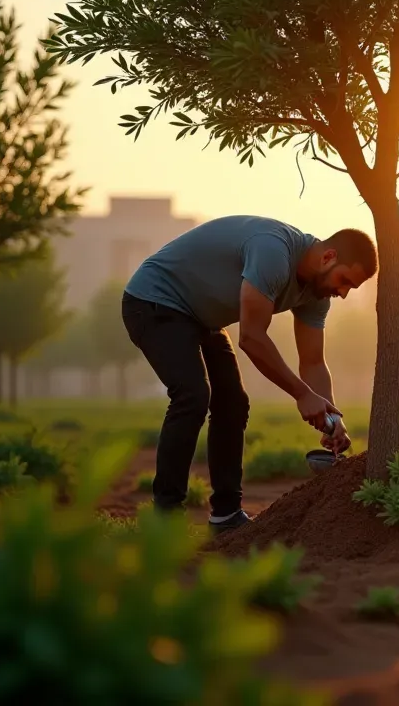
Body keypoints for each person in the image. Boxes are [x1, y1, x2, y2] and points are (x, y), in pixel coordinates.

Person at [120, 214, 377, 531]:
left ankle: (226, 515)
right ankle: (165, 521)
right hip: (154, 300)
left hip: (202, 318)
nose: (344, 293)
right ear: (328, 257)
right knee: (192, 396)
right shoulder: (274, 253)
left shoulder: (316, 296)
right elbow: (252, 338)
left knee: (233, 403)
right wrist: (301, 394)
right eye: (344, 281)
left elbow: (312, 362)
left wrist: (332, 418)